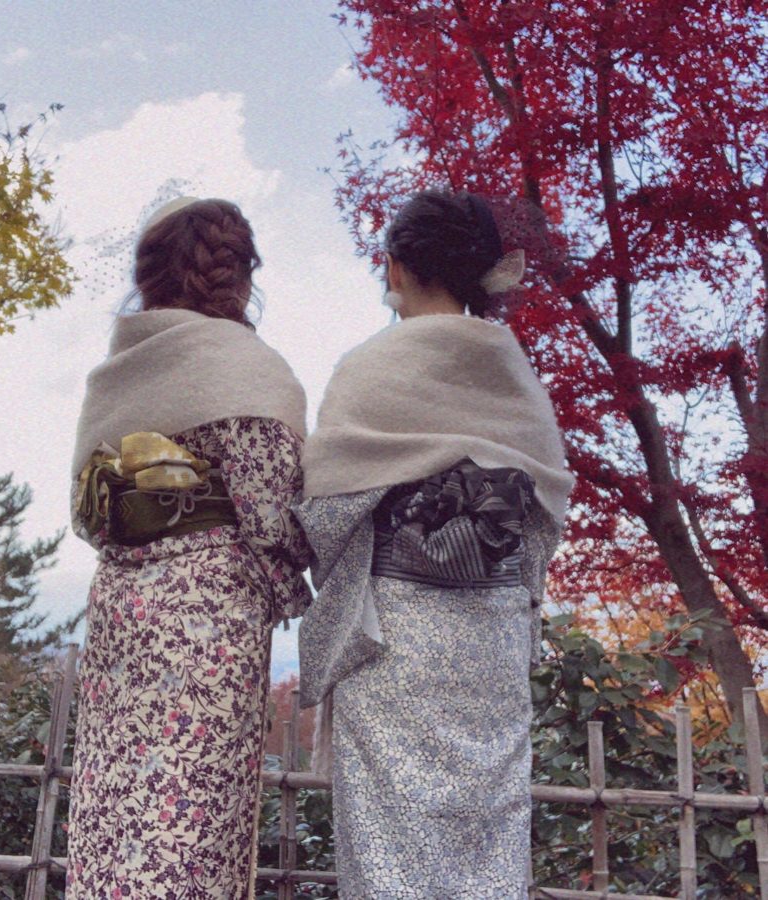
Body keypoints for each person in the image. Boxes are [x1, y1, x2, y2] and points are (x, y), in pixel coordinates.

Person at [296, 189, 575, 898]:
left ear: (395, 268)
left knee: (391, 829)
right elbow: (544, 510)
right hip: (492, 636)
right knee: (488, 822)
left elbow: (327, 510)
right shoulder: (513, 372)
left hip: (397, 632)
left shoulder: (370, 368)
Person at [66, 196, 311, 899]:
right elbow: (273, 513)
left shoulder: (118, 372)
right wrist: (292, 586)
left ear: (150, 274)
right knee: (192, 813)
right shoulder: (248, 369)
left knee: (117, 812)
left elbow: (88, 515)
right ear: (237, 275)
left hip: (120, 606)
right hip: (207, 612)